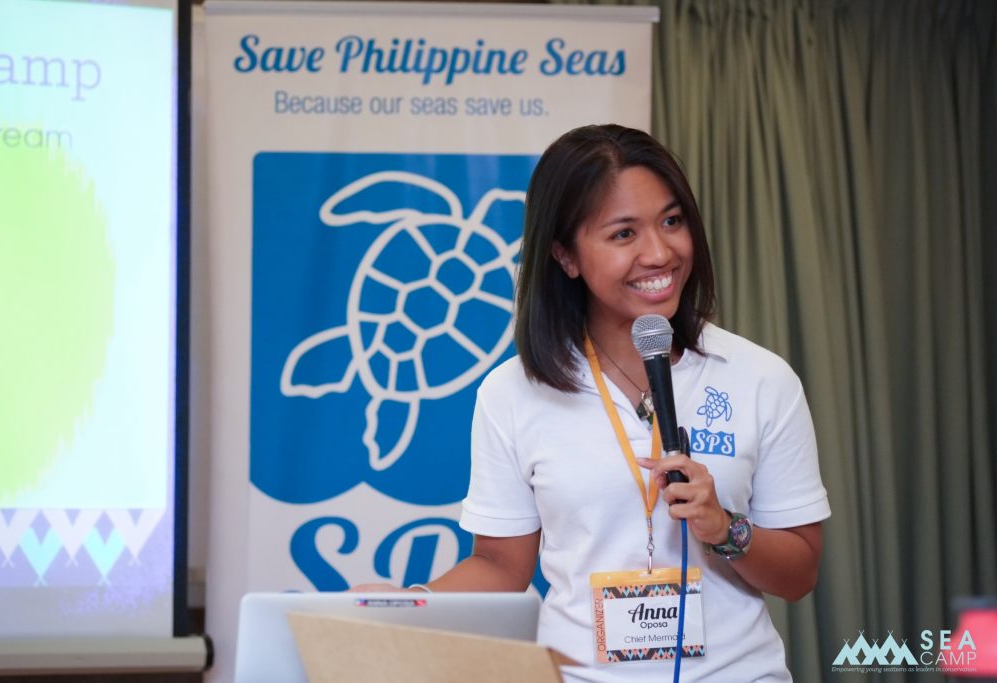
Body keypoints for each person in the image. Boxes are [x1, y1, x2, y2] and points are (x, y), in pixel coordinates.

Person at [353, 124, 830, 682]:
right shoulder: (512, 394)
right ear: (566, 255)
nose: (659, 252)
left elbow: (799, 575)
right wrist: (409, 605)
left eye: (672, 221)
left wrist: (723, 526)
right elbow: (501, 566)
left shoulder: (761, 378)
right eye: (624, 234)